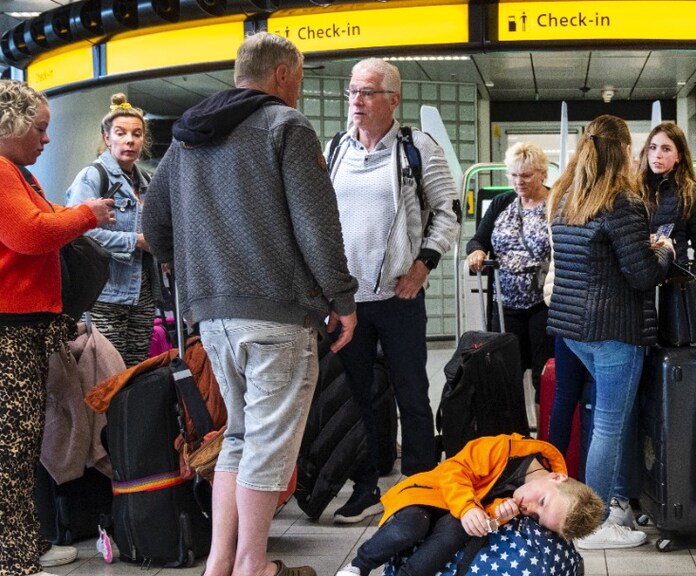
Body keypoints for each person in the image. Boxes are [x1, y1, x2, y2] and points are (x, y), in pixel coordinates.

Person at [141, 32, 358, 576]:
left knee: (238, 436)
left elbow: (153, 221)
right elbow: (317, 226)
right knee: (269, 444)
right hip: (276, 313)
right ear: (282, 74)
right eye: (298, 79)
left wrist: (193, 272)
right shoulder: (286, 126)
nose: (298, 90)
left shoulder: (187, 136)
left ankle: (222, 562)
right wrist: (342, 297)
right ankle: (252, 564)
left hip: (212, 316)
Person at [326, 57, 459, 524]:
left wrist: (423, 267)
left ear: (393, 100)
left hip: (400, 298)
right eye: (352, 91)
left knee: (412, 394)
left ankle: (419, 488)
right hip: (348, 302)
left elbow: (448, 212)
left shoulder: (417, 148)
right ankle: (365, 488)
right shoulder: (334, 149)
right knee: (354, 397)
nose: (356, 101)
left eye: (367, 92)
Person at [0, 79, 115, 576]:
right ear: (10, 125)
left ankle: (25, 544)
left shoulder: (17, 174)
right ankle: (14, 556)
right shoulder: (2, 171)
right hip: (11, 329)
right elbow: (29, 233)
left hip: (22, 326)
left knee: (21, 442)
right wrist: (87, 214)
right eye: (40, 129)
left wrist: (77, 215)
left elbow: (41, 220)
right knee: (13, 445)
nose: (47, 139)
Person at [547, 114, 674, 550]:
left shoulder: (565, 196)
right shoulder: (622, 202)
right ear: (621, 151)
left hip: (573, 328)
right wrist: (663, 252)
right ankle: (595, 524)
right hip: (614, 328)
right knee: (609, 426)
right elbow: (642, 274)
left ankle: (607, 506)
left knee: (603, 419)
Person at [335, 433, 604, 576]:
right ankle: (359, 565)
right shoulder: (504, 448)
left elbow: (487, 522)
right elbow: (455, 469)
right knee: (413, 524)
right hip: (430, 494)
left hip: (455, 515)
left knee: (456, 532)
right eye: (542, 502)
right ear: (557, 477)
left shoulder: (523, 503)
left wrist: (497, 516)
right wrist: (467, 507)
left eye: (536, 517)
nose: (530, 508)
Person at [65, 93, 159, 367]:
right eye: (121, 133)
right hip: (107, 292)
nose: (130, 140)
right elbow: (79, 232)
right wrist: (136, 241)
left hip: (142, 293)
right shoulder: (93, 176)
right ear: (107, 138)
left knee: (136, 370)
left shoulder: (146, 181)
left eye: (137, 134)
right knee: (108, 372)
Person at [466, 141, 555, 410]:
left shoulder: (557, 203)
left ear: (542, 174)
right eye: (513, 175)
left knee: (544, 374)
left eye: (526, 175)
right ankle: (512, 431)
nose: (518, 182)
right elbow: (478, 239)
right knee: (505, 374)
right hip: (505, 304)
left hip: (545, 303)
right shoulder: (501, 203)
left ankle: (545, 429)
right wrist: (477, 251)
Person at [638, 121, 696, 300]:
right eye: (653, 147)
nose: (657, 154)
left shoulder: (692, 194)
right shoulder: (634, 190)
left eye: (666, 149)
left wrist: (695, 295)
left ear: (678, 156)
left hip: (673, 289)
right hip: (638, 290)